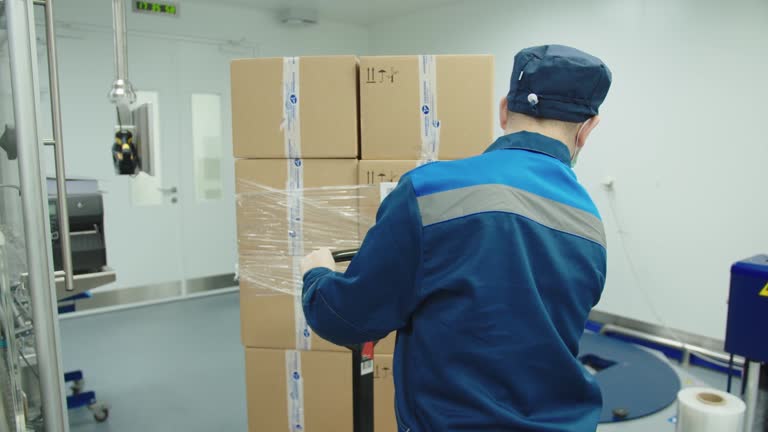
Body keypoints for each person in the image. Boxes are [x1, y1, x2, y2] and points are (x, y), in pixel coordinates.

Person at [301, 44, 612, 432]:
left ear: (504, 110)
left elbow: (349, 318)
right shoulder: (590, 224)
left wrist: (317, 277)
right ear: (588, 128)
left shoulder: (429, 191)